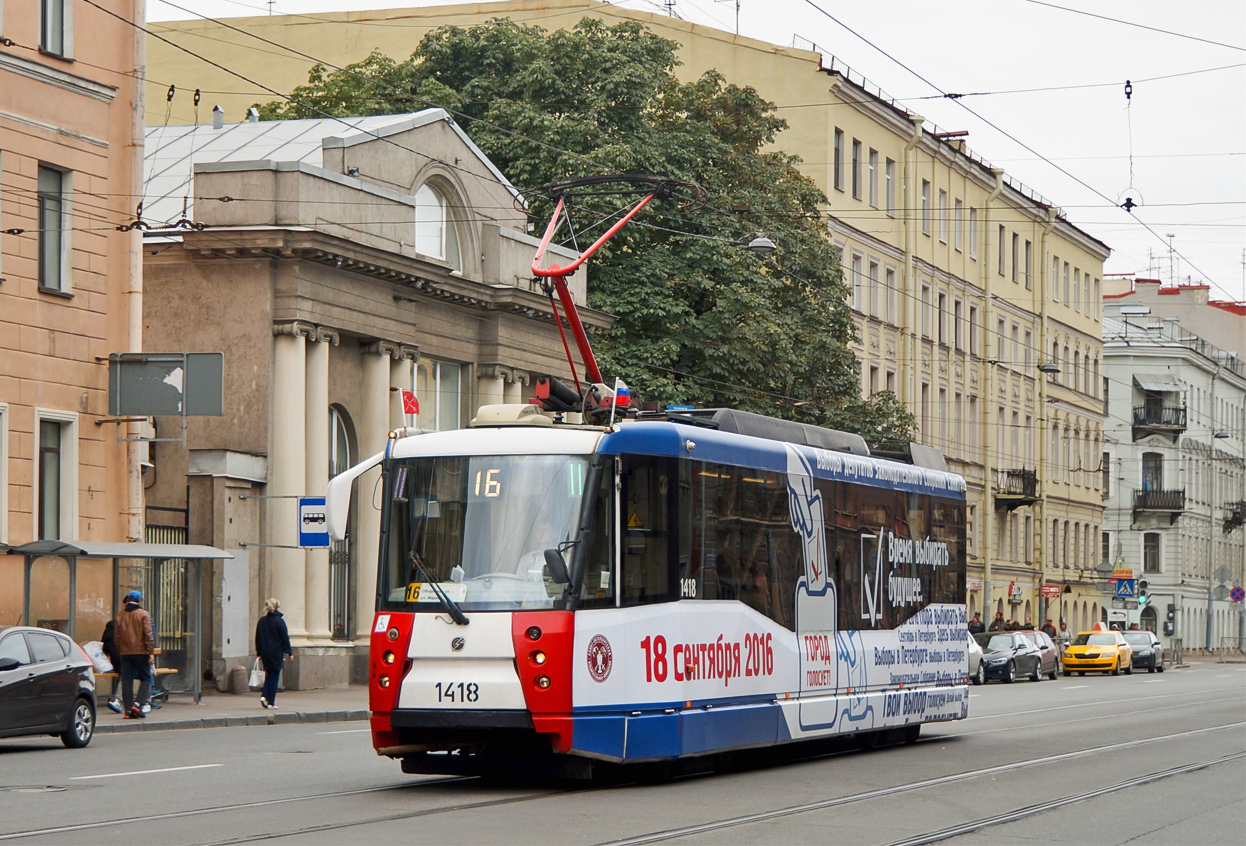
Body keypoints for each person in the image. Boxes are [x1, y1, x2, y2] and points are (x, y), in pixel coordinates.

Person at [114, 590, 155, 719]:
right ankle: (137, 704)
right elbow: (148, 635)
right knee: (146, 678)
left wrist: (121, 649)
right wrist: (151, 652)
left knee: (127, 681)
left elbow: (116, 637)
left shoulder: (120, 616)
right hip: (141, 652)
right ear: (140, 601)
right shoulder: (144, 614)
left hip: (125, 653)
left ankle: (128, 710)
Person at [255, 598, 294, 709]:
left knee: (269, 674)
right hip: (276, 652)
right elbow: (285, 638)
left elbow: (258, 638)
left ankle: (265, 696)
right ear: (277, 607)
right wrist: (289, 652)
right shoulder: (279, 621)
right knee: (275, 675)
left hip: (265, 653)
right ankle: (270, 701)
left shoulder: (262, 621)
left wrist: (259, 652)